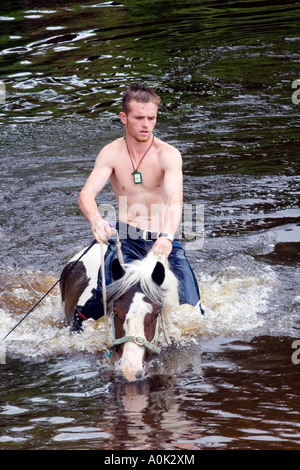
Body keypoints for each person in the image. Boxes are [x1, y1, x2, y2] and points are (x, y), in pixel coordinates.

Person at [71, 83, 203, 331]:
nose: (146, 124)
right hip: (125, 238)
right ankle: (81, 321)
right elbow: (86, 194)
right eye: (139, 117)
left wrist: (167, 237)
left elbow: (175, 199)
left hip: (163, 241)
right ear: (124, 118)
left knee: (193, 309)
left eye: (151, 118)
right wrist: (97, 221)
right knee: (99, 306)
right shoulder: (110, 153)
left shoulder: (169, 154)